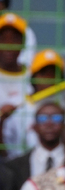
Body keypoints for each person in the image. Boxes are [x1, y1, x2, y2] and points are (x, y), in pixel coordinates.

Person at [0, 12, 29, 157]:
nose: (9, 45)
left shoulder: (35, 76)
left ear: (23, 43)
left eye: (15, 39)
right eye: (3, 39)